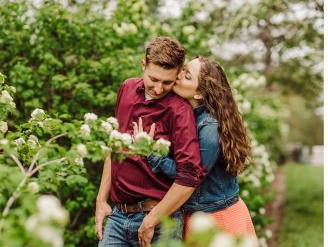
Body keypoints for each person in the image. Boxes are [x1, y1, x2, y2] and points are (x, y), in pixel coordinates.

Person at [95, 37, 207, 247]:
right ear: (143, 65)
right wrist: (101, 200)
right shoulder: (127, 89)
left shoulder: (180, 110)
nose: (158, 89)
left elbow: (190, 176)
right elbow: (114, 146)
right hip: (118, 217)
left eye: (167, 82)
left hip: (160, 222)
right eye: (153, 79)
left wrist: (152, 219)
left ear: (178, 74)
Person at [140, 56, 257, 241]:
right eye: (183, 70)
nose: (178, 76)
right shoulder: (187, 116)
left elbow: (189, 176)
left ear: (199, 94)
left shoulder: (209, 127)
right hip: (197, 215)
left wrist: (152, 154)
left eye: (187, 76)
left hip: (218, 217)